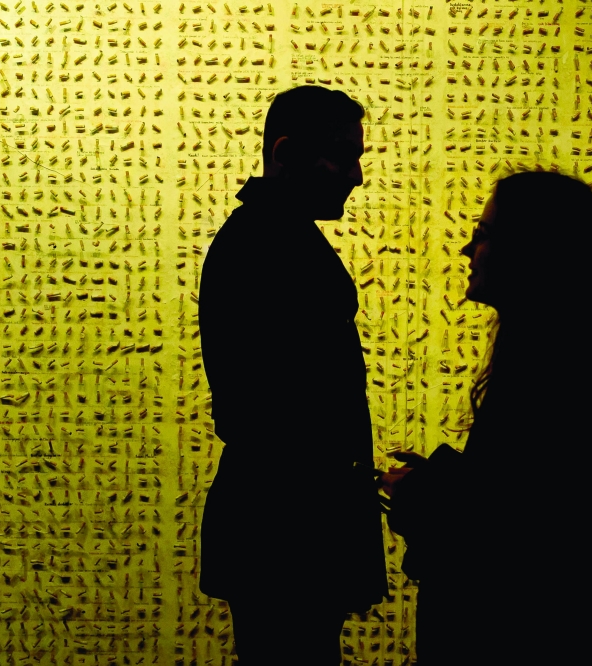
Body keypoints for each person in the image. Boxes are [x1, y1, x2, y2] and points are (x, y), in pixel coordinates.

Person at [380, 171, 592, 665]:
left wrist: (422, 494)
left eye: (485, 234)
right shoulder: (581, 358)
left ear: (533, 250)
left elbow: (515, 535)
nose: (468, 250)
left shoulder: (556, 368)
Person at [197, 85, 388, 665]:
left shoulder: (267, 238)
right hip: (287, 531)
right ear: (285, 151)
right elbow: (273, 411)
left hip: (283, 521)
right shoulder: (264, 245)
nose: (356, 176)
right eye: (343, 156)